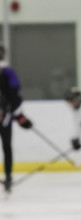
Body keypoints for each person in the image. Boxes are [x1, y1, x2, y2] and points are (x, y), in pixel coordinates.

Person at [0, 44, 33, 192]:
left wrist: (18, 115)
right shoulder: (8, 71)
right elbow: (16, 95)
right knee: (7, 147)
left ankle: (8, 177)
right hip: (5, 116)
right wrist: (19, 114)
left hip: (5, 116)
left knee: (7, 147)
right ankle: (8, 178)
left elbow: (15, 95)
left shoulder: (7, 72)